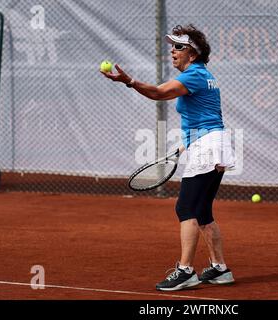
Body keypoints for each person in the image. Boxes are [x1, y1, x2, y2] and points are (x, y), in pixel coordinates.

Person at [101, 24, 235, 291]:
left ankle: (185, 271)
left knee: (185, 209)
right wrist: (186, 145)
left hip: (207, 145)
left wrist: (129, 81)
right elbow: (207, 117)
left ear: (193, 54)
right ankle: (220, 268)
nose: (172, 51)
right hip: (213, 143)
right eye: (172, 46)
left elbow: (158, 93)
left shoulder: (194, 75)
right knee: (203, 212)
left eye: (179, 47)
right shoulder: (204, 75)